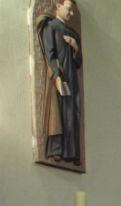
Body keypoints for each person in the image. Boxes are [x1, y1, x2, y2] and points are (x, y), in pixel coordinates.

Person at [38, 0, 81, 166]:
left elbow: (78, 62)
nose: (70, 14)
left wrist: (75, 47)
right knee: (60, 112)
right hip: (60, 76)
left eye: (72, 12)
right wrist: (57, 76)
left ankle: (71, 152)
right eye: (68, 10)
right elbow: (49, 55)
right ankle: (57, 150)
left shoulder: (72, 33)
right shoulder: (51, 27)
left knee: (73, 113)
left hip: (72, 78)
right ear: (58, 6)